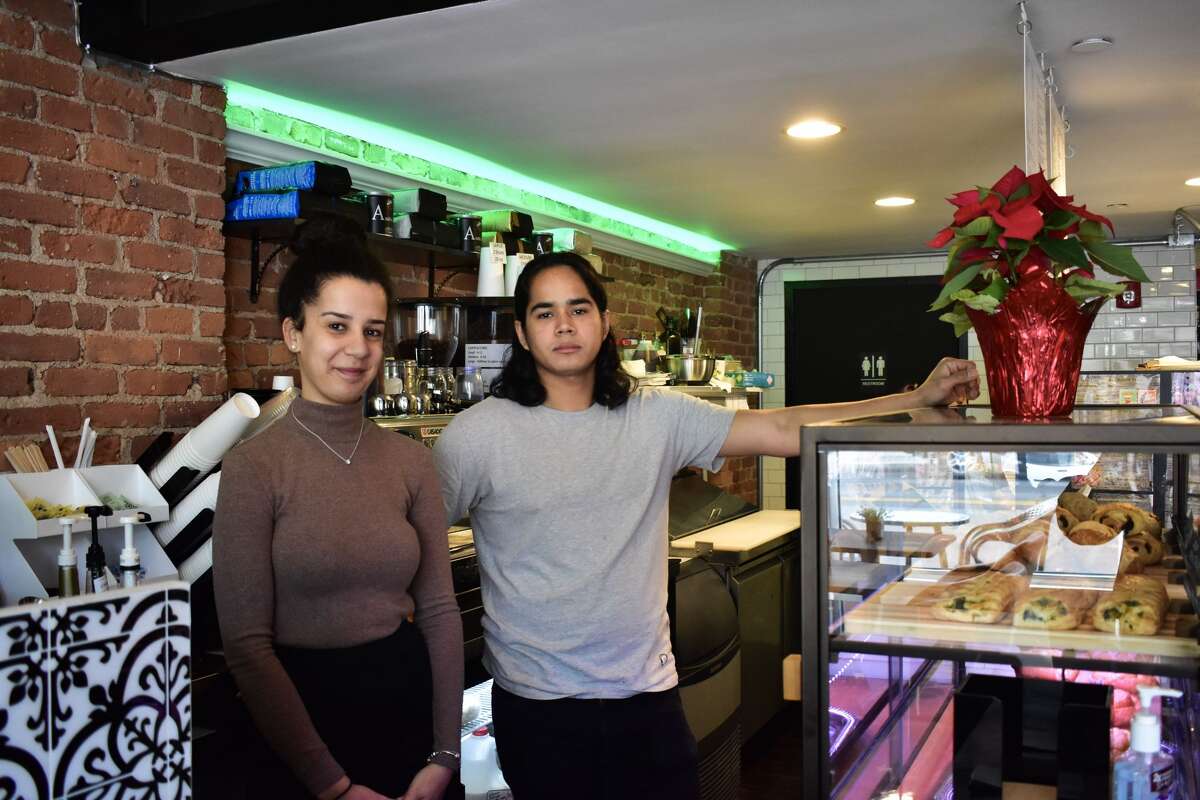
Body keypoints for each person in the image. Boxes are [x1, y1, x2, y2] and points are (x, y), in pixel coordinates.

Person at [433, 251, 979, 799]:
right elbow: (422, 542)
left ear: (604, 322)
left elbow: (784, 429)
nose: (565, 325)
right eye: (545, 313)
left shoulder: (654, 414)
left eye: (578, 308)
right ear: (524, 335)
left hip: (647, 698)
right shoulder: (476, 436)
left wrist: (915, 399)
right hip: (536, 706)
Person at [213, 215, 463, 800]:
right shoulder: (252, 466)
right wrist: (333, 786)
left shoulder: (410, 461)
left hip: (408, 719)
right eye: (336, 326)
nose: (358, 349)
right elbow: (247, 646)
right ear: (293, 333)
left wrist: (444, 755)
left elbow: (440, 612)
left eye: (373, 331)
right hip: (302, 734)